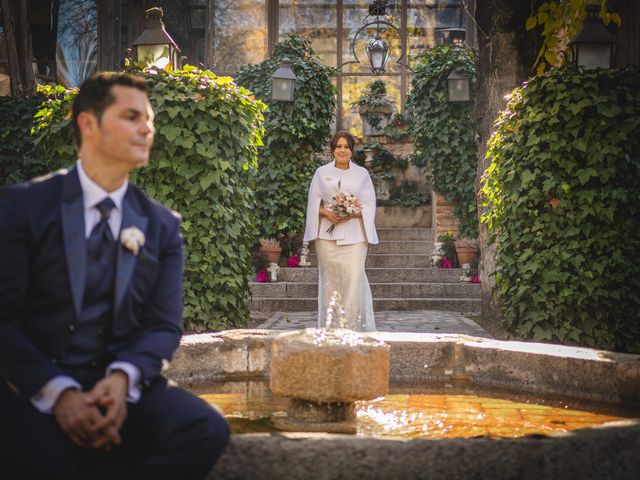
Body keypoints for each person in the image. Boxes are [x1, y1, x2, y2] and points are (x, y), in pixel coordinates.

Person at [0, 72, 228, 479]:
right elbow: (5, 319)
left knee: (204, 428)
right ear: (88, 124)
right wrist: (60, 393)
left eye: (149, 119)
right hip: (37, 385)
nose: (147, 128)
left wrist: (124, 379)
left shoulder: (161, 225)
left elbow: (163, 325)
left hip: (121, 384)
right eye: (131, 116)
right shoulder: (24, 208)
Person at [303, 131, 379, 331]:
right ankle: (331, 328)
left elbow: (369, 205)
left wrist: (351, 213)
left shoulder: (362, 174)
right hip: (326, 238)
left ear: (352, 151)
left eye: (346, 147)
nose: (342, 150)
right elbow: (313, 204)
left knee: (354, 279)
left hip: (355, 237)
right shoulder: (321, 173)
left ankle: (353, 327)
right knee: (331, 282)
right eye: (339, 147)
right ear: (332, 150)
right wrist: (327, 213)